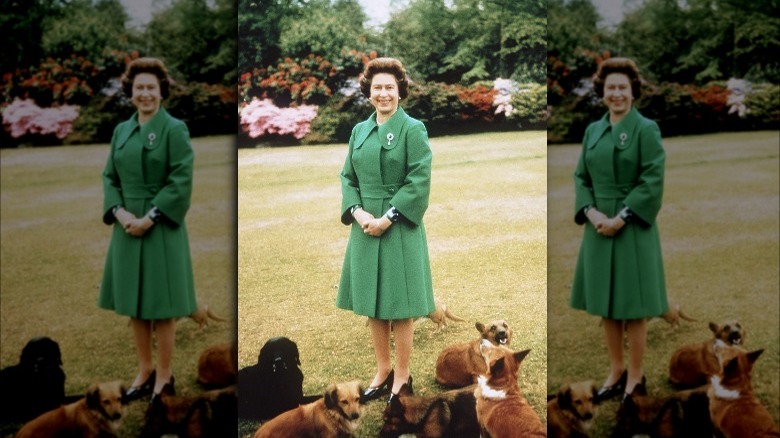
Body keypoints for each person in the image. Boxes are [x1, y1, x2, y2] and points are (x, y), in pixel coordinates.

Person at [337, 57, 436, 404]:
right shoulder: (358, 131)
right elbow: (348, 177)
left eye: (389, 88)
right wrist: (359, 213)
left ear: (400, 91)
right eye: (377, 87)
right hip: (365, 227)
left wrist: (387, 217)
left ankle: (403, 376)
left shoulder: (413, 129)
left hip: (399, 227)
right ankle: (383, 371)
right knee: (373, 304)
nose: (383, 94)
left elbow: (419, 180)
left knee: (400, 305)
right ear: (368, 91)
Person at [99, 57, 197, 403]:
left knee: (162, 306)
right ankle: (144, 371)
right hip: (126, 227)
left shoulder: (174, 129)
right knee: (135, 305)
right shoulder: (120, 131)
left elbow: (180, 179)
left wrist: (150, 217)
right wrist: (121, 213)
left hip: (161, 228)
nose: (145, 94)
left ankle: (165, 376)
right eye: (139, 87)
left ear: (161, 91)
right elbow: (109, 177)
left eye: (151, 88)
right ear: (131, 91)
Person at [570, 57, 668, 403]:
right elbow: (581, 177)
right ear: (602, 91)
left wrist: (621, 217)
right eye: (610, 87)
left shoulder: (646, 129)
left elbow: (652, 179)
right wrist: (593, 213)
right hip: (598, 227)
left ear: (633, 90)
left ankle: (636, 377)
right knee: (607, 304)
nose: (616, 93)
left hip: (633, 229)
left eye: (622, 87)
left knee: (633, 307)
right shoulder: (593, 131)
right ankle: (615, 371)